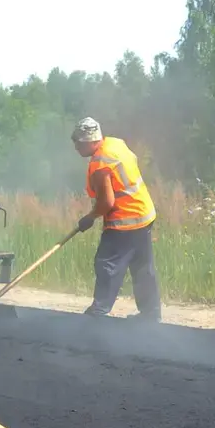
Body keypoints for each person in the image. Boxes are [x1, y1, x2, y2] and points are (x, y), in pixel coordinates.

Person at [70, 117, 161, 321]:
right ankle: (151, 314)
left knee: (106, 264)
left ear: (89, 141)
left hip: (125, 222)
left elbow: (107, 203)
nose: (75, 146)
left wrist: (89, 218)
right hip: (144, 213)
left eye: (78, 142)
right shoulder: (115, 144)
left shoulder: (100, 163)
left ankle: (98, 312)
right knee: (142, 268)